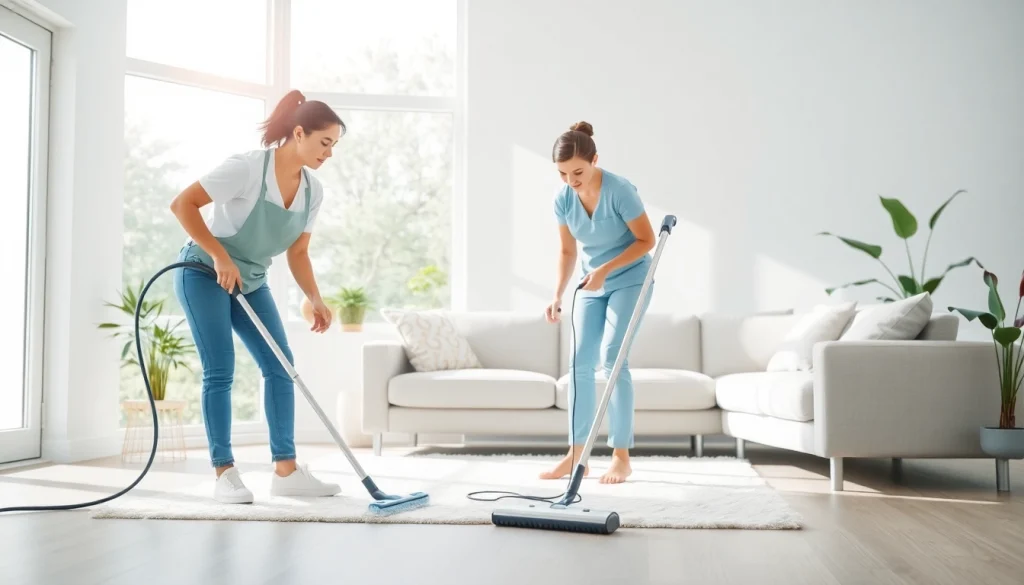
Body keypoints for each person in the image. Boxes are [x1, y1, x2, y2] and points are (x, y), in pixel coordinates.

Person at [169, 89, 344, 504]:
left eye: (334, 146)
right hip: (202, 273)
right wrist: (218, 256)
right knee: (220, 369)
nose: (329, 153)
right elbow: (183, 205)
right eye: (325, 142)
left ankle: (286, 471)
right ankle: (224, 473)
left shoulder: (312, 191)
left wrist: (315, 297)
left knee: (281, 366)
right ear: (299, 133)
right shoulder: (248, 167)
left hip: (250, 279)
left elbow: (298, 251)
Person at [541, 121, 656, 484]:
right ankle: (578, 456)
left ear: (594, 161)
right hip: (591, 282)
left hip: (630, 278)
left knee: (614, 360)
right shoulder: (563, 198)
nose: (571, 181)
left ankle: (621, 456)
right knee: (580, 364)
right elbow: (566, 249)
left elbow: (646, 240)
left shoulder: (619, 190)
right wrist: (558, 293)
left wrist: (606, 269)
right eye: (562, 173)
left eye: (578, 171)